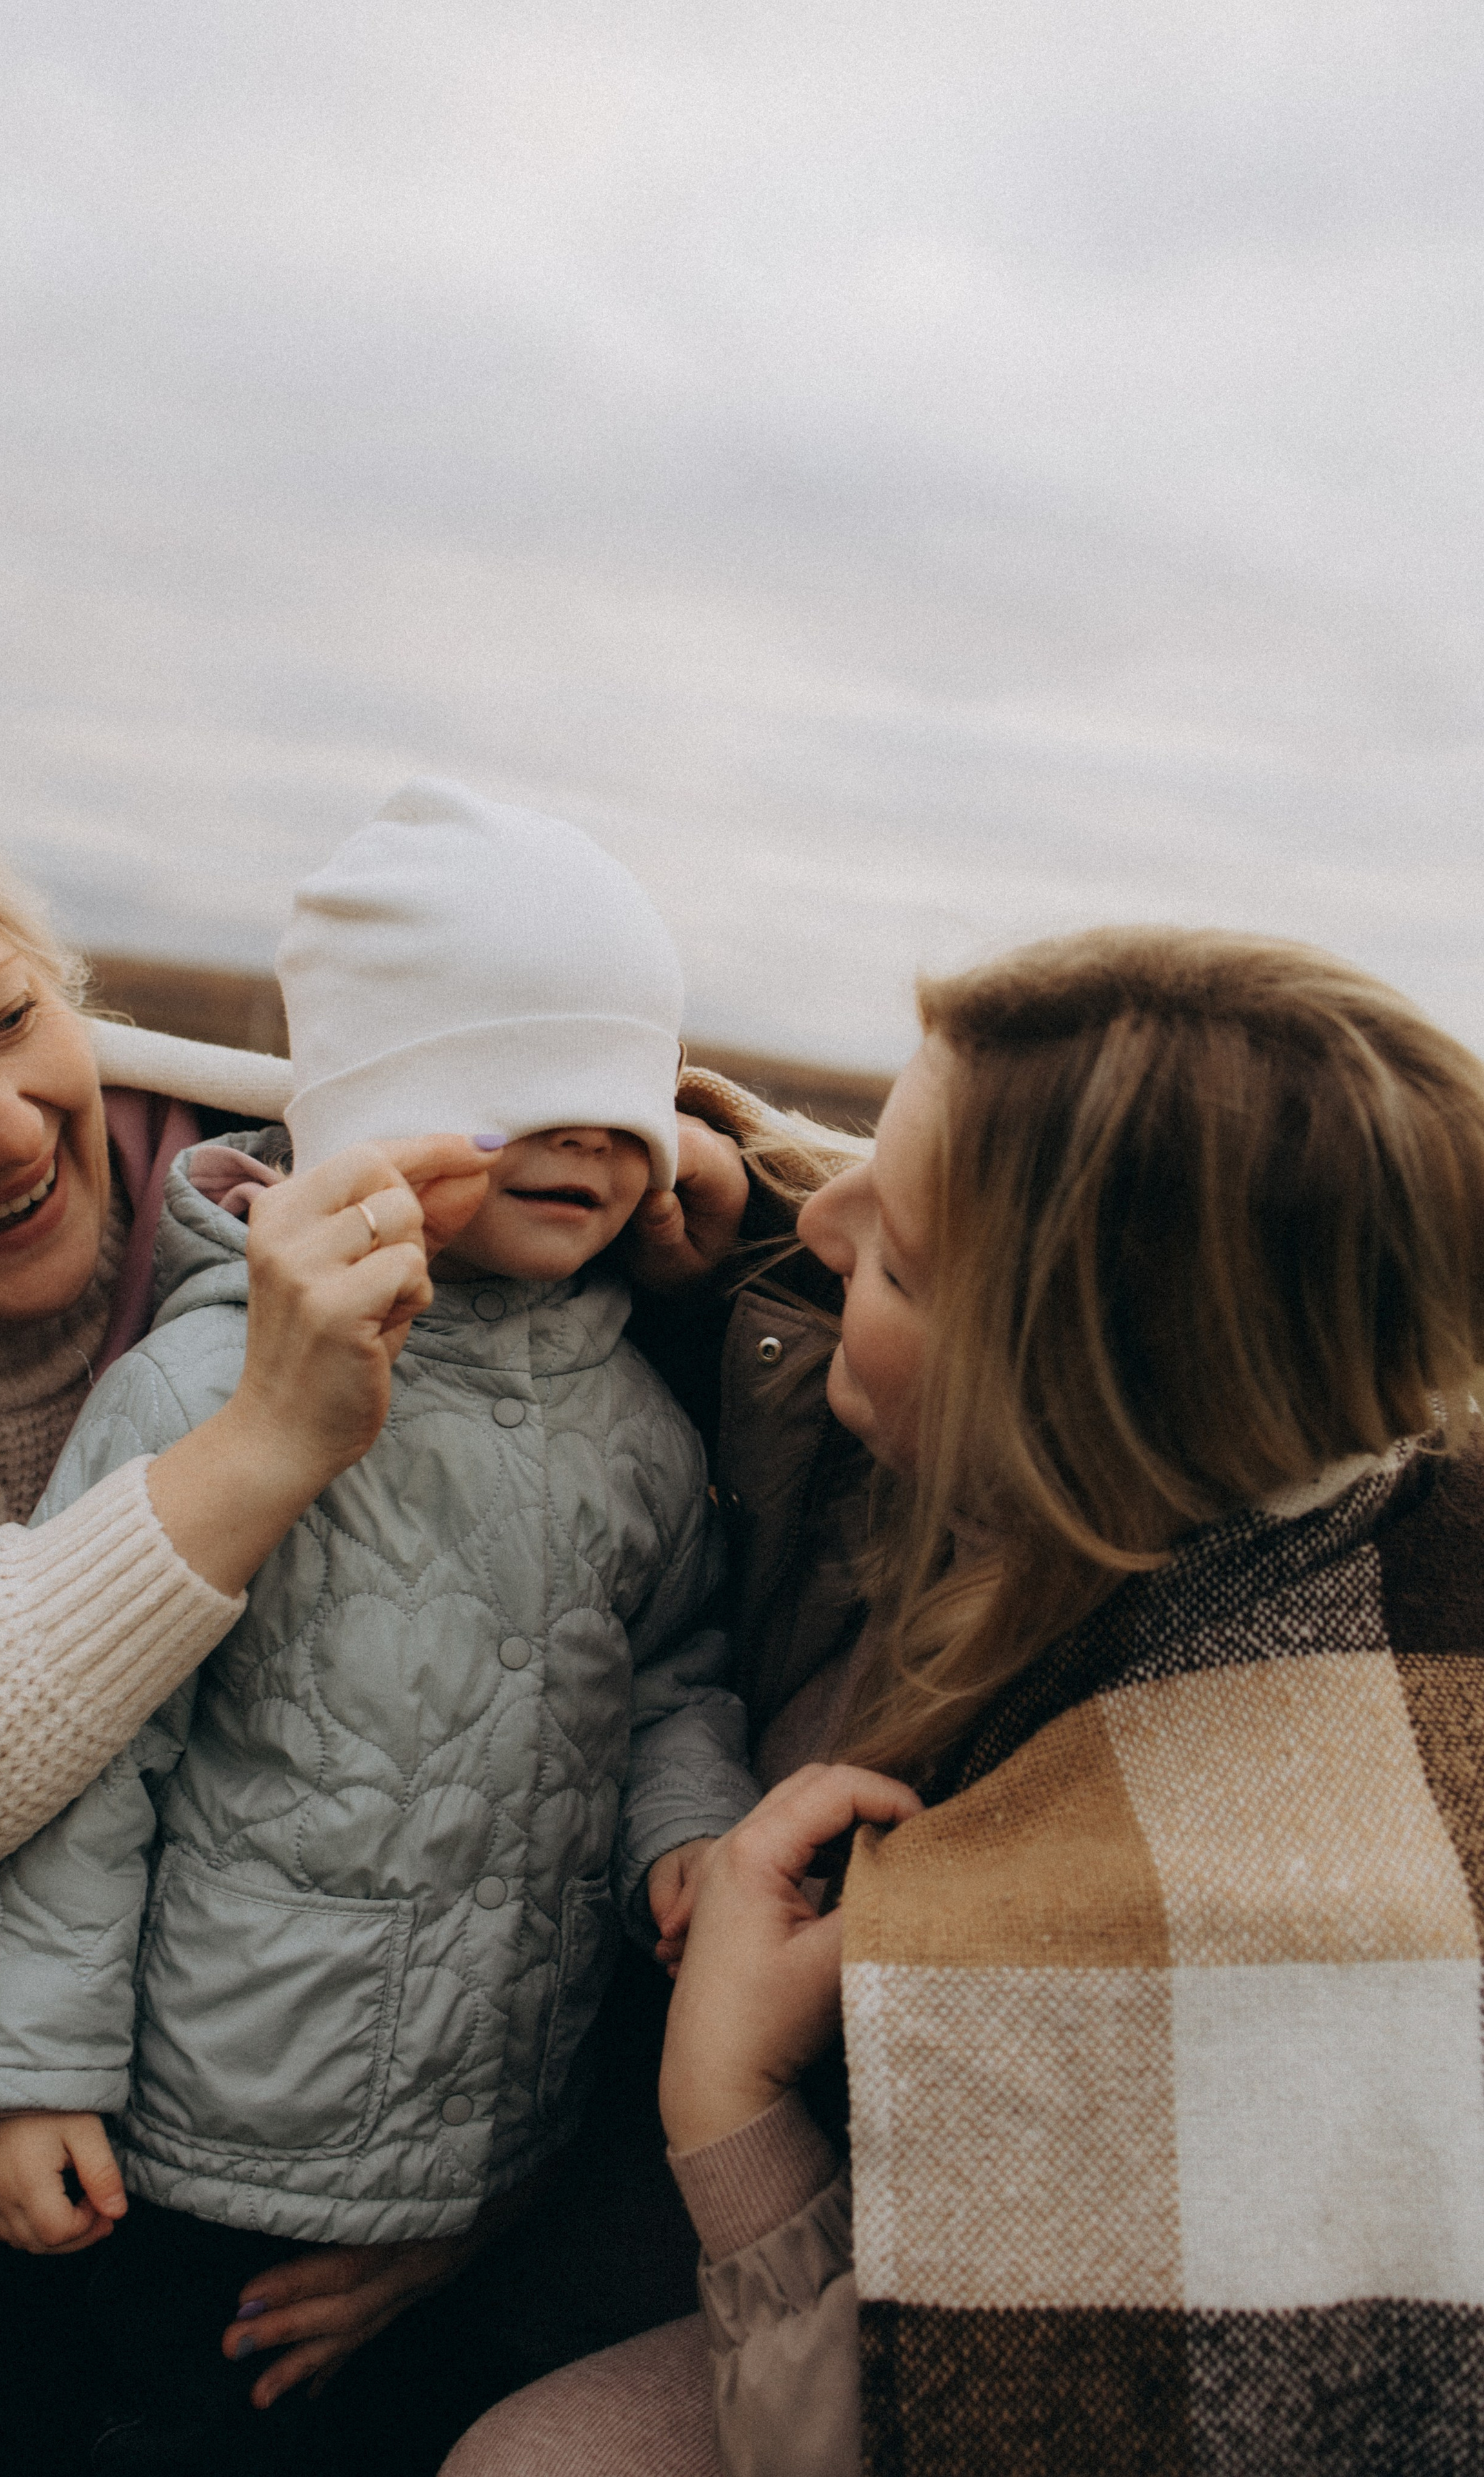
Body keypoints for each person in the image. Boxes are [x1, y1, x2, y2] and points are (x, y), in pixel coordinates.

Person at [445, 925, 1484, 2476]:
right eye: (870, 1135)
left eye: (906, 1258)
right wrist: (739, 1193)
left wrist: (725, 2100)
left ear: (1054, 1407)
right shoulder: (1216, 1495)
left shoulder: (1196, 1908)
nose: (833, 1216)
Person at [0, 783, 765, 2472]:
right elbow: (81, 1755)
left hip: (486, 2145)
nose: (585, 1148)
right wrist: (25, 2072)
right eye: (513, 1105)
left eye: (619, 1111)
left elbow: (675, 1681)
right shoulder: (202, 1386)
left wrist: (690, 1841)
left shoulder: (643, 1427)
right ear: (373, 1109)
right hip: (188, 2158)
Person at [0, 765, 506, 2474]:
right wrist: (261, 1445)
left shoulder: (305, 1222)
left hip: (311, 2137)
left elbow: (546, 1706)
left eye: (11, 1020)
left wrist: (452, 2191)